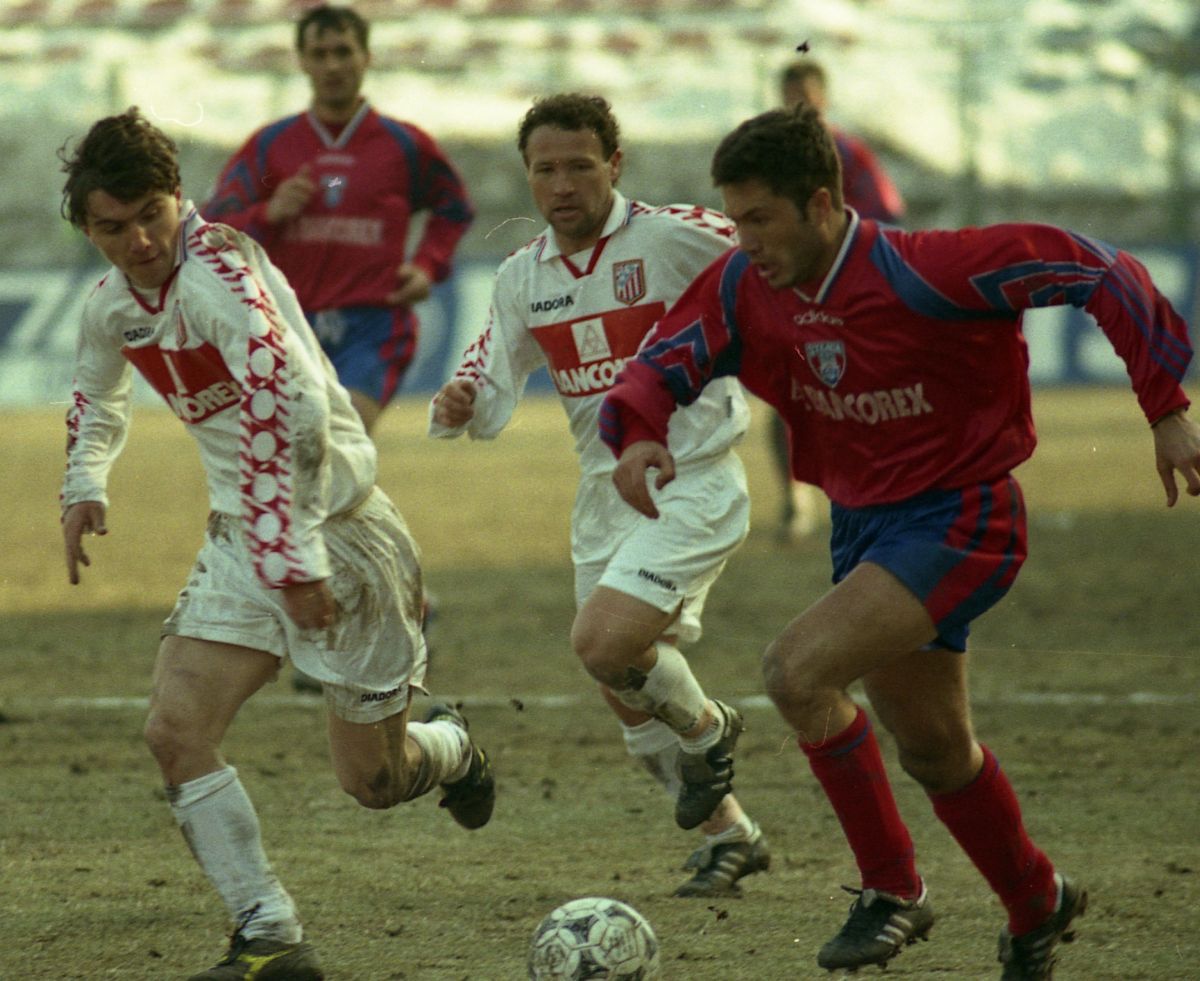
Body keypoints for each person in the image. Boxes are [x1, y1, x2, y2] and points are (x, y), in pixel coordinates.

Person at [600, 106, 1199, 978]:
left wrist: (1166, 406)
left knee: (795, 672)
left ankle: (892, 890)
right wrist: (639, 432)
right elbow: (664, 359)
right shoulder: (743, 286)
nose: (745, 239)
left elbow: (1098, 266)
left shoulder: (929, 270)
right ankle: (1037, 899)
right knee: (935, 748)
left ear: (821, 203)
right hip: (866, 529)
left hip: (962, 516)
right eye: (735, 219)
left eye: (760, 218)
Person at [58, 108, 495, 981]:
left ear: (179, 197)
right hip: (242, 537)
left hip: (341, 534)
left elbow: (288, 409)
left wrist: (293, 557)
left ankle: (451, 748)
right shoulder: (112, 305)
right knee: (175, 730)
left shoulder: (221, 276)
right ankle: (271, 932)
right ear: (88, 228)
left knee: (372, 782)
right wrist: (84, 483)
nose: (138, 241)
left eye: (150, 215)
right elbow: (97, 395)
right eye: (111, 227)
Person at [429, 93, 769, 898]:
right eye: (544, 169)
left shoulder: (675, 235)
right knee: (624, 689)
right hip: (602, 494)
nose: (561, 185)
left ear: (615, 165)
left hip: (692, 478)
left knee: (604, 644)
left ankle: (711, 728)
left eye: (580, 166)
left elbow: (774, 257)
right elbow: (489, 369)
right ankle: (731, 835)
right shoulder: (523, 275)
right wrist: (462, 400)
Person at [204, 3, 472, 690]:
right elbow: (215, 226)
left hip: (372, 327)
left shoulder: (404, 145)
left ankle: (334, 624)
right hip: (289, 333)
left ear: (365, 57)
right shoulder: (270, 148)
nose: (332, 66)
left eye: (343, 52)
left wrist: (428, 265)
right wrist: (269, 213)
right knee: (324, 470)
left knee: (317, 450)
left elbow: (453, 208)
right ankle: (401, 605)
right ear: (302, 61)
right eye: (319, 53)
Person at [770, 59, 907, 543]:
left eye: (806, 98)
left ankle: (865, 495)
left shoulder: (847, 152)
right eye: (791, 98)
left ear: (823, 100)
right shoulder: (767, 156)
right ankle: (795, 501)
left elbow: (887, 212)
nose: (799, 107)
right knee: (786, 395)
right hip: (789, 291)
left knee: (853, 394)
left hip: (843, 292)